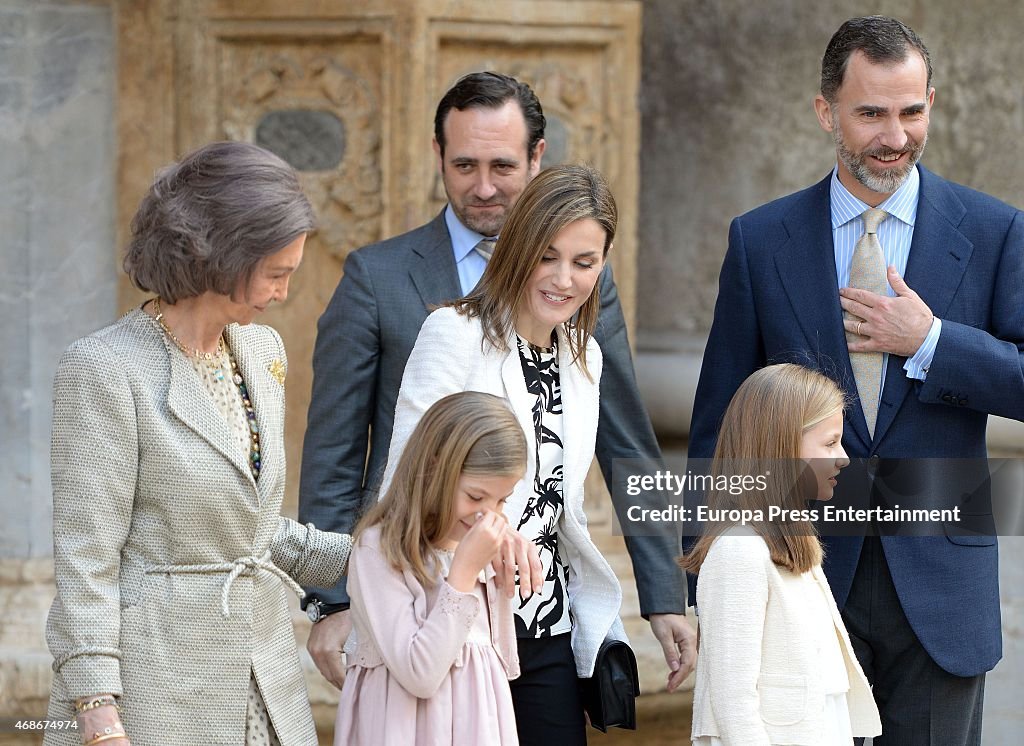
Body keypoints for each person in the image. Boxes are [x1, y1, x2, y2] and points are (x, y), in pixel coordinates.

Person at [299, 70, 694, 693]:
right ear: (438, 157)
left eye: (502, 166)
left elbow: (627, 442)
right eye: (464, 166)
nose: (483, 187)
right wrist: (332, 596)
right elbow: (336, 452)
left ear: (537, 157)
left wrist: (664, 591)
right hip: (424, 598)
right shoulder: (375, 278)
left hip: (539, 610)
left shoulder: (584, 285)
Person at [687, 15, 1024, 745]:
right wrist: (703, 584)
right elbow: (720, 424)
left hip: (942, 586)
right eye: (871, 112)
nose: (894, 136)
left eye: (911, 111)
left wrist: (932, 342)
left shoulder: (996, 231)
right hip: (798, 574)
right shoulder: (760, 239)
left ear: (932, 102)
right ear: (826, 111)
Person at [42, 141, 354, 746]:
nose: (284, 294)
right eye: (276, 275)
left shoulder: (262, 353)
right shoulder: (103, 369)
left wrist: (388, 554)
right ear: (223, 257)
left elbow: (252, 531)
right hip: (154, 688)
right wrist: (97, 713)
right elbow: (87, 561)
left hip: (267, 685)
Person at [377, 163, 628, 744]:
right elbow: (404, 485)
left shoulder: (585, 356)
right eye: (548, 255)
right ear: (518, 246)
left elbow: (559, 509)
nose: (564, 278)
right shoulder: (453, 333)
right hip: (458, 626)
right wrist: (491, 528)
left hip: (547, 625)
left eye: (584, 262)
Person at [681, 364, 882, 745]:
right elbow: (733, 704)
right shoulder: (738, 551)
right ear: (781, 446)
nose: (843, 458)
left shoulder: (793, 542)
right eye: (829, 443)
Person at [334, 391, 529, 745]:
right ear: (436, 467)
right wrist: (464, 575)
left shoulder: (480, 545)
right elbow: (420, 674)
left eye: (502, 500)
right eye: (475, 496)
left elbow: (499, 663)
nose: (490, 515)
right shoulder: (378, 549)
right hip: (402, 728)